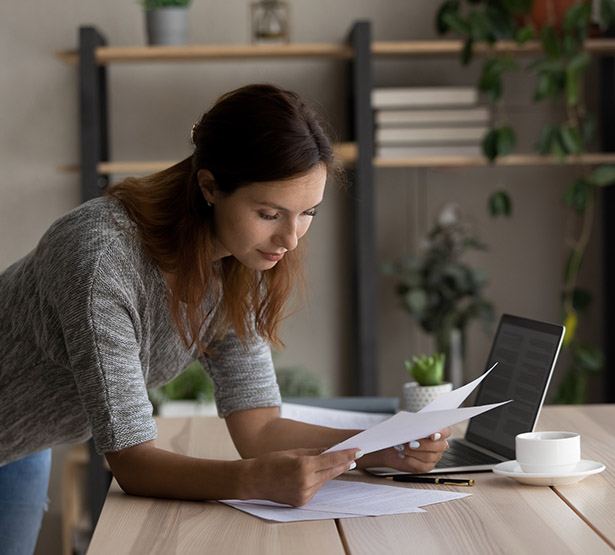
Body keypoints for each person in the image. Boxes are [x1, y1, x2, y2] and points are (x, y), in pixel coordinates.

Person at [0, 84, 450, 554]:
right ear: (209, 186)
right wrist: (251, 480)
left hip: (22, 445)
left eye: (307, 213)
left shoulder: (241, 260)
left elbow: (259, 428)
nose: (291, 239)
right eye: (270, 213)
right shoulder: (100, 259)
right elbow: (132, 462)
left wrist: (378, 445)